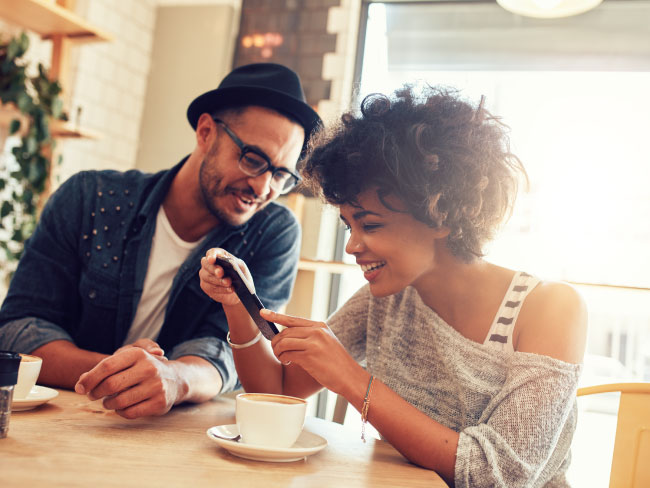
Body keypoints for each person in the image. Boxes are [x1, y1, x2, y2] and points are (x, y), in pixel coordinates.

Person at [199, 85, 587, 487]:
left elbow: (497, 476)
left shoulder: (550, 308)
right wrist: (236, 304)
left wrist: (351, 378)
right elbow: (279, 391)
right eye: (349, 225)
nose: (352, 245)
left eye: (371, 224)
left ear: (442, 214)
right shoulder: (387, 300)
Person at [0, 63, 321, 419]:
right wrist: (129, 374)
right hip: (59, 420)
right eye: (253, 159)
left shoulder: (274, 232)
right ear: (205, 132)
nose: (263, 188)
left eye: (280, 174)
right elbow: (17, 329)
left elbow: (229, 352)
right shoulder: (89, 198)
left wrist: (175, 379)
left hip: (176, 439)